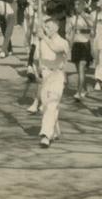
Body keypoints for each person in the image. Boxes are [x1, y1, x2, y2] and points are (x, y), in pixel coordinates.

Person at [38, 16, 70, 148]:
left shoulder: (63, 42)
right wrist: (38, 72)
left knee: (51, 104)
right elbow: (39, 58)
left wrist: (43, 38)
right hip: (45, 75)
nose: (46, 29)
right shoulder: (42, 41)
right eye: (45, 27)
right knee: (46, 107)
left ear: (57, 27)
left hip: (57, 75)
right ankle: (55, 130)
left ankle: (45, 135)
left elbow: (56, 49)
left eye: (49, 26)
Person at [67, 0, 93, 100]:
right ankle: (85, 89)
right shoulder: (73, 18)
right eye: (75, 5)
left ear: (82, 6)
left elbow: (91, 26)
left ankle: (78, 92)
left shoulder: (87, 16)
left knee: (81, 69)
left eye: (78, 4)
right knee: (79, 70)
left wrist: (83, 16)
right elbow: (69, 31)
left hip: (85, 44)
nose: (76, 7)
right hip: (76, 45)